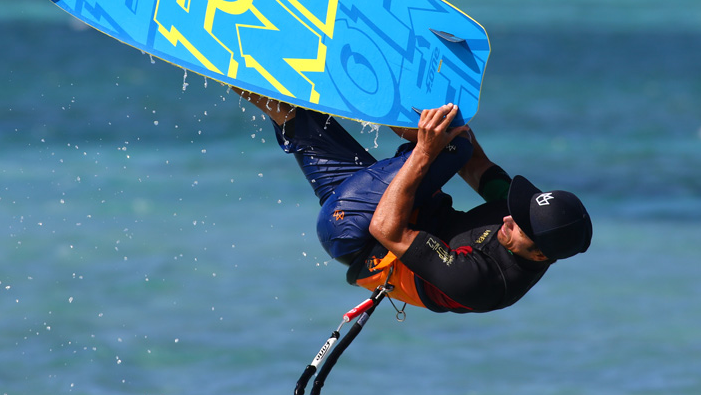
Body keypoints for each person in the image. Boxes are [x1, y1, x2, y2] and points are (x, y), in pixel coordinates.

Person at [234, 89, 592, 313]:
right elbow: (479, 167)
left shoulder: (485, 283)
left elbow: (386, 229)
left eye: (519, 226)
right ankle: (223, 63)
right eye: (519, 210)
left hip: (359, 235)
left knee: (450, 147)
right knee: (291, 112)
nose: (508, 218)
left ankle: (368, 83)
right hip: (392, 208)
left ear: (540, 254)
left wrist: (424, 148)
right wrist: (442, 104)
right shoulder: (526, 216)